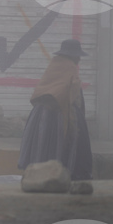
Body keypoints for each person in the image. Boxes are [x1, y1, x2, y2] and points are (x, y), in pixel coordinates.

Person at [18, 39, 93, 180]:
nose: (79, 59)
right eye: (78, 56)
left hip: (41, 114)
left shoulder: (54, 64)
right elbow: (71, 94)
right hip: (60, 114)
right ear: (74, 56)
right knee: (63, 149)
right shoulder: (70, 68)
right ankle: (61, 176)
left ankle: (37, 175)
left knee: (41, 148)